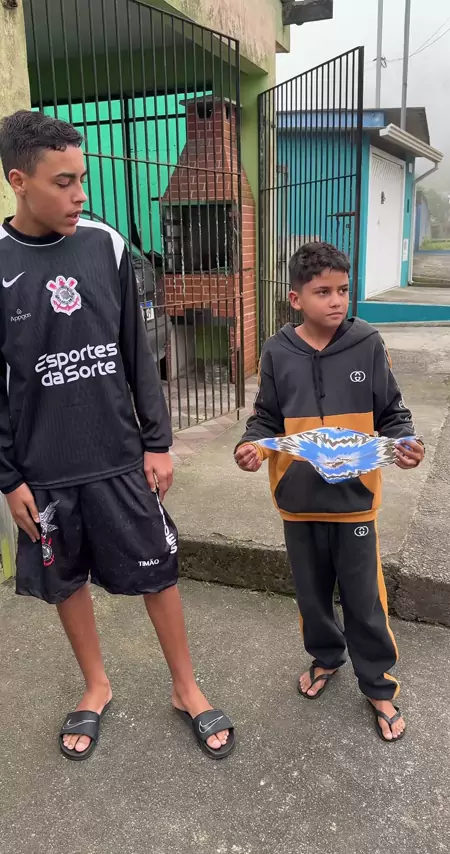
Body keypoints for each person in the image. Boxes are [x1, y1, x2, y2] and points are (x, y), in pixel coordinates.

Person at [0, 110, 234, 761]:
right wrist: (9, 478)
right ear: (19, 181)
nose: (80, 194)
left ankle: (185, 687)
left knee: (159, 571)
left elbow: (136, 352)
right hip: (44, 467)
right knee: (66, 580)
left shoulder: (105, 245)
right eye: (63, 182)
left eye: (83, 179)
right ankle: (96, 685)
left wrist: (157, 442)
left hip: (118, 457)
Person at [235, 242, 424, 743]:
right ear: (295, 298)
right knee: (311, 593)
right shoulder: (277, 351)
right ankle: (325, 658)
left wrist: (407, 443)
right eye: (323, 292)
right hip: (297, 501)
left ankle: (378, 684)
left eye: (343, 290)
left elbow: (393, 413)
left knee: (365, 599)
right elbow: (266, 418)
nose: (336, 300)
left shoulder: (367, 343)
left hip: (355, 502)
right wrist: (251, 446)